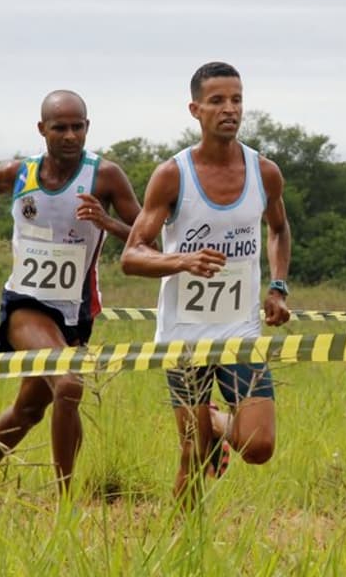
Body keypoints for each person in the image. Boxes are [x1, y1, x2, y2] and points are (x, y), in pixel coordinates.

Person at [0, 89, 141, 506]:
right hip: (26, 304)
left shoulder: (105, 176)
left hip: (75, 312)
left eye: (78, 126)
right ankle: (66, 506)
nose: (70, 135)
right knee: (70, 385)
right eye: (60, 127)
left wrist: (106, 222)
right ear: (42, 130)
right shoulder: (18, 173)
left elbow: (146, 237)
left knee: (31, 409)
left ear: (88, 127)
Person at [121, 61, 292, 503]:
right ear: (195, 109)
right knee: (193, 455)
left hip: (240, 331)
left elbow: (278, 229)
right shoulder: (173, 175)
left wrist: (278, 286)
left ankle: (216, 421)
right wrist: (181, 260)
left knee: (258, 447)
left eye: (236, 100)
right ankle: (180, 546)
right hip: (185, 334)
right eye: (217, 101)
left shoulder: (265, 172)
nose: (229, 109)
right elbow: (132, 255)